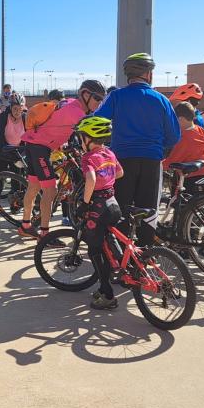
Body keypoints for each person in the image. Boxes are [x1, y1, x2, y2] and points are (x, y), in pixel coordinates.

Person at [94, 52, 181, 246]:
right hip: (151, 161)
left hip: (122, 161)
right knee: (148, 210)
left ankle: (120, 253)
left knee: (121, 208)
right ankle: (145, 252)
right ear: (148, 74)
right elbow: (174, 135)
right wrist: (160, 150)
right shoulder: (161, 99)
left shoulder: (116, 96)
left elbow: (96, 121)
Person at [19, 80, 106, 241]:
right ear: (85, 94)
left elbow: (58, 124)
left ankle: (25, 225)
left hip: (33, 142)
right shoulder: (77, 113)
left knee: (34, 187)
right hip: (40, 147)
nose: (99, 103)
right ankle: (45, 235)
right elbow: (91, 136)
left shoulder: (71, 104)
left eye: (102, 99)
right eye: (97, 98)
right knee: (50, 190)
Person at [72, 116, 123, 310]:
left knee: (94, 250)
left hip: (99, 208)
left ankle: (108, 294)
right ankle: (105, 284)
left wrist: (85, 204)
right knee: (106, 247)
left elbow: (91, 179)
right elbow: (120, 173)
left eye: (82, 137)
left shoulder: (88, 157)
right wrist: (107, 180)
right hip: (113, 204)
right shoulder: (109, 153)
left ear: (89, 138)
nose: (80, 140)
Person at [162, 101, 204, 192]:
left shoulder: (184, 138)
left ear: (181, 119)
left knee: (176, 197)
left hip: (190, 178)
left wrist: (156, 164)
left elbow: (173, 160)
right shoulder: (199, 129)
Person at [0, 92, 26, 176]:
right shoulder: (3, 117)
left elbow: (28, 136)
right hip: (3, 150)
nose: (17, 112)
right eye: (15, 109)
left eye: (20, 109)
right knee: (0, 176)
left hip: (17, 151)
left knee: (17, 178)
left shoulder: (25, 118)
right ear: (10, 107)